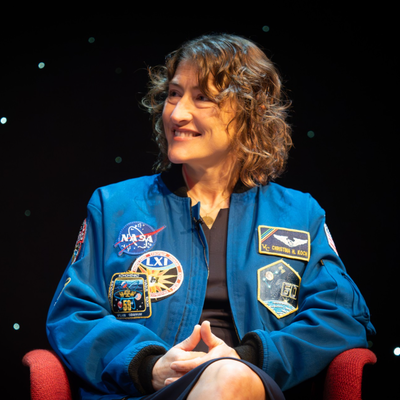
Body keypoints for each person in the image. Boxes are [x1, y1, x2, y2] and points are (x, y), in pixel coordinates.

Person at [46, 33, 375, 400]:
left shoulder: (299, 215)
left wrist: (247, 358)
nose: (177, 113)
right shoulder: (113, 206)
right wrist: (148, 365)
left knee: (228, 377)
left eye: (202, 97)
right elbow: (72, 316)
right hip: (147, 392)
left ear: (250, 112)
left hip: (252, 385)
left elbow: (342, 318)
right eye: (174, 94)